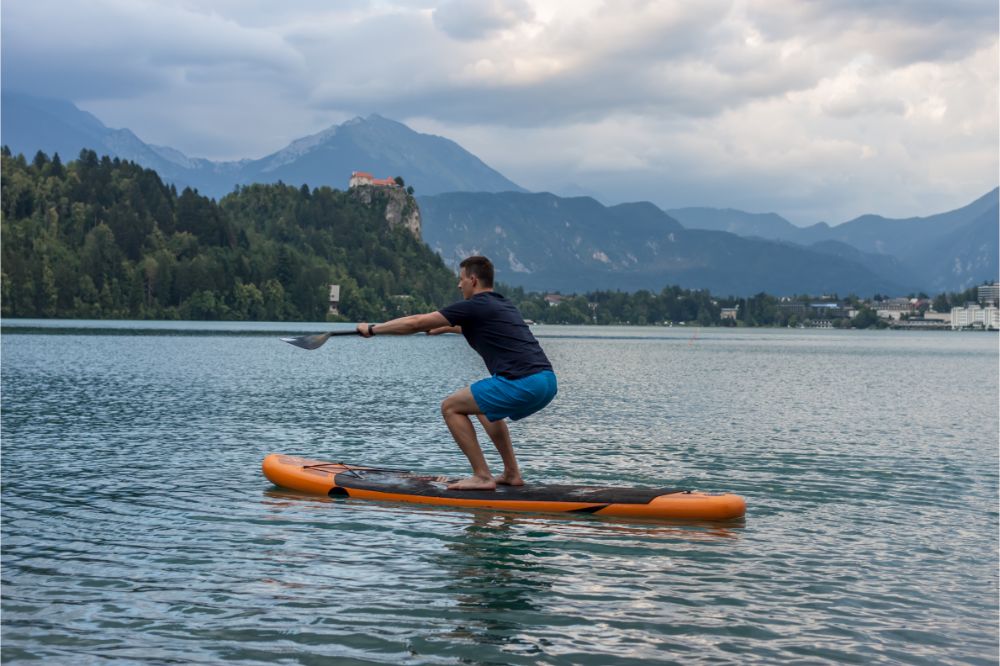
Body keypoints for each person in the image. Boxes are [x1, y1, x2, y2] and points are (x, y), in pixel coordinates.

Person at [356, 255, 557, 490]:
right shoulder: (501, 304)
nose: (459, 285)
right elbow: (478, 327)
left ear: (473, 280)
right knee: (483, 409)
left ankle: (482, 476)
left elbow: (415, 322)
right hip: (546, 381)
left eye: (461, 279)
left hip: (524, 382)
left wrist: (372, 329)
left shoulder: (474, 305)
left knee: (450, 406)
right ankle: (512, 474)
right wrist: (445, 328)